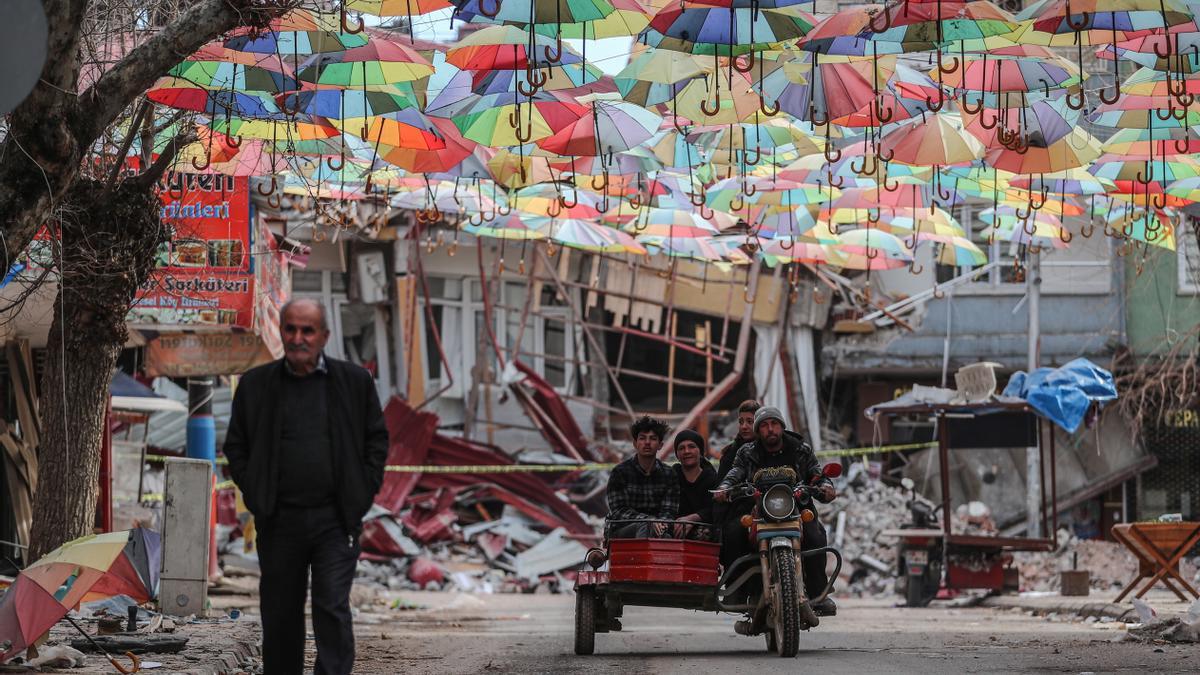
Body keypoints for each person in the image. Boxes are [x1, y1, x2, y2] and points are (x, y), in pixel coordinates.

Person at [224, 298, 389, 674]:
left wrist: (362, 494)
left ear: (324, 336)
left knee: (331, 605)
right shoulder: (256, 385)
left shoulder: (354, 382)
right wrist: (257, 493)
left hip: (335, 520)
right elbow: (236, 446)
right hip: (279, 521)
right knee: (281, 611)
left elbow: (376, 441)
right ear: (281, 331)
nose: (298, 338)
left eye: (308, 330)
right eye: (291, 329)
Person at [714, 406, 838, 617]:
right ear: (758, 430)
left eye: (774, 424)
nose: (770, 429)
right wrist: (726, 486)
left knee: (816, 534)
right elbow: (736, 472)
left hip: (796, 506)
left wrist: (825, 487)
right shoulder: (747, 451)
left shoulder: (800, 448)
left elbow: (815, 474)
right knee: (733, 532)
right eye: (764, 425)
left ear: (782, 426)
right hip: (758, 508)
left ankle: (818, 593)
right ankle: (738, 590)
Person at [605, 415, 679, 538]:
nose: (647, 443)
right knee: (645, 526)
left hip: (657, 530)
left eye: (653, 438)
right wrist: (648, 520)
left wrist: (660, 524)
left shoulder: (669, 474)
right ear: (635, 443)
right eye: (642, 438)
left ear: (660, 445)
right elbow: (619, 511)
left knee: (667, 538)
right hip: (622, 531)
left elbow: (669, 511)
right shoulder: (620, 472)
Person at [671, 429, 717, 539]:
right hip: (674, 526)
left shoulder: (712, 478)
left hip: (704, 528)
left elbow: (715, 509)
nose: (687, 451)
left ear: (701, 451)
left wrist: (693, 518)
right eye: (681, 448)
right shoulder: (671, 476)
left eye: (691, 446)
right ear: (677, 454)